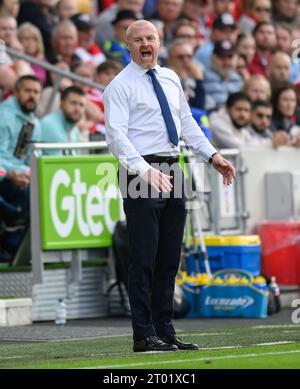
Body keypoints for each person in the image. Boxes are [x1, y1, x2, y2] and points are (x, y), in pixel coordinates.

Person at [104, 19, 236, 352]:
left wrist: (212, 155)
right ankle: (143, 333)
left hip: (173, 167)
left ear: (159, 41)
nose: (145, 44)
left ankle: (165, 327)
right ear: (128, 45)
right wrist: (142, 169)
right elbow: (116, 137)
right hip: (140, 171)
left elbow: (187, 123)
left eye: (150, 38)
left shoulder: (171, 77)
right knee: (144, 256)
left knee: (169, 257)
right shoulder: (119, 86)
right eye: (138, 40)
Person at [0, 75, 42, 256]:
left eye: (36, 92)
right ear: (16, 93)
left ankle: (20, 247)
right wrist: (13, 174)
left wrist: (27, 173)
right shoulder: (4, 117)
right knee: (24, 192)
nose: (32, 96)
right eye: (27, 91)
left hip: (19, 177)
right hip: (4, 176)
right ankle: (10, 244)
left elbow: (30, 159)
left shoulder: (35, 123)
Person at [40, 86, 86, 155]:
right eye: (73, 103)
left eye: (81, 105)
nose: (77, 109)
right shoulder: (49, 125)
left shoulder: (75, 130)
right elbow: (56, 164)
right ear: (62, 103)